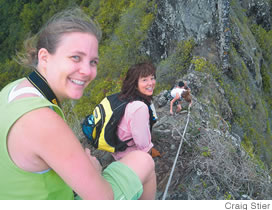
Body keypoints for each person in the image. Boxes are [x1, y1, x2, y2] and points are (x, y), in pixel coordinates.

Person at [0, 8, 156, 200]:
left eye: (93, 61)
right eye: (75, 57)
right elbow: (102, 199)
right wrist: (94, 169)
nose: (87, 71)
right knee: (144, 161)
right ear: (44, 57)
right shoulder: (42, 121)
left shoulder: (12, 90)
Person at [112, 62, 158, 160]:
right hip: (129, 156)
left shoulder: (125, 98)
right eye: (144, 80)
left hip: (118, 148)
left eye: (152, 78)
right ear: (135, 84)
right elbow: (143, 145)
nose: (151, 83)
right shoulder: (139, 107)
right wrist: (150, 153)